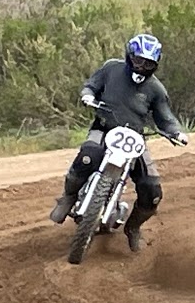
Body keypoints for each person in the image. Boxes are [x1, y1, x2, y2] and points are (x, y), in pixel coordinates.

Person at [48, 33, 187, 251]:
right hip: (104, 127)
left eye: (148, 63)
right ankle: (69, 197)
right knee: (86, 157)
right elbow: (91, 85)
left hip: (134, 137)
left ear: (155, 64)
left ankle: (133, 227)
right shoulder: (111, 69)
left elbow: (165, 116)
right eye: (138, 60)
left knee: (152, 192)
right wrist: (88, 96)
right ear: (129, 56)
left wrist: (176, 132)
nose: (142, 66)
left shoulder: (156, 89)